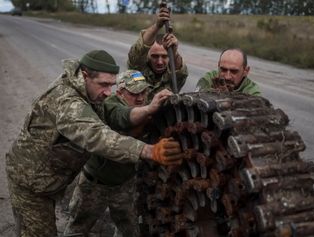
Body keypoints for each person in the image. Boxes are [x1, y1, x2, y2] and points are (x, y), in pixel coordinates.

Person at [5, 50, 184, 237]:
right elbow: (96, 136)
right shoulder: (68, 102)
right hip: (30, 184)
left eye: (111, 85)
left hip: (47, 182)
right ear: (85, 75)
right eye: (104, 84)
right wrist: (149, 150)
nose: (108, 92)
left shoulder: (89, 92)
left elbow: (115, 114)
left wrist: (148, 109)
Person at [64, 70, 172, 237]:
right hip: (94, 185)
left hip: (124, 185)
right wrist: (149, 109)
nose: (140, 98)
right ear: (119, 92)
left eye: (144, 92)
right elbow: (122, 116)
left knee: (129, 231)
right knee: (77, 229)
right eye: (134, 93)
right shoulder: (109, 105)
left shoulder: (143, 107)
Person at [127, 5, 188, 100]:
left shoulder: (173, 77)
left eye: (164, 56)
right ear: (147, 55)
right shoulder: (138, 70)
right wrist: (157, 25)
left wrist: (174, 52)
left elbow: (180, 72)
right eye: (155, 56)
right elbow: (138, 52)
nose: (159, 62)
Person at [195, 48, 261, 96]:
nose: (227, 77)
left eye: (234, 71)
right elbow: (194, 99)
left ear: (246, 71)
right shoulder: (209, 78)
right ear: (218, 66)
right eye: (223, 70)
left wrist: (228, 98)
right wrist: (212, 94)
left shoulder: (252, 92)